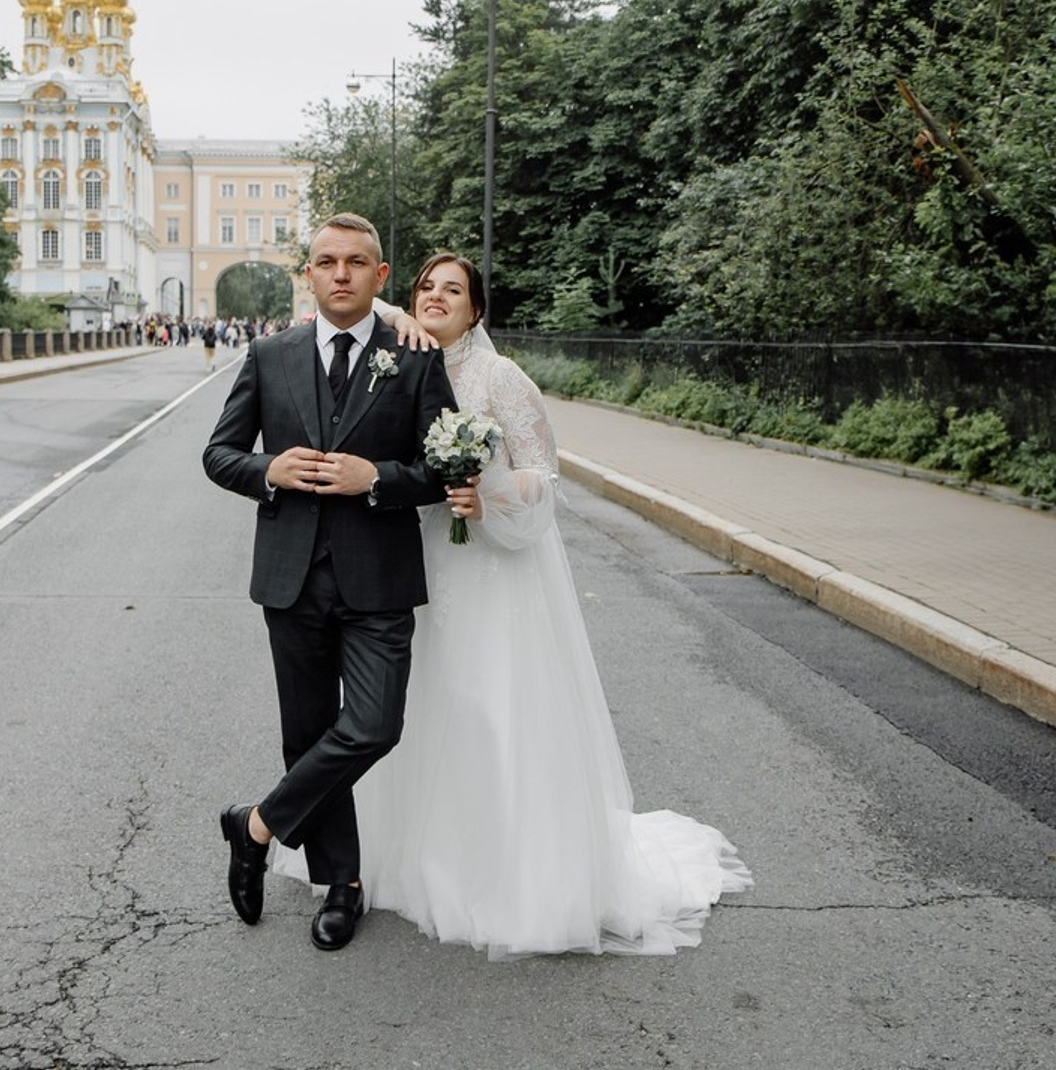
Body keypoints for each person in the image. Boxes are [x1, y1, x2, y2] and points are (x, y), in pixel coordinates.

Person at [281, 252, 753, 960]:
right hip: (422, 564)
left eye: (454, 290)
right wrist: (401, 317)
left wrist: (488, 496)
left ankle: (497, 870)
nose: (437, 297)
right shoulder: (401, 356)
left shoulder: (499, 378)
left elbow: (543, 476)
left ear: (478, 310)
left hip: (489, 567)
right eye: (426, 288)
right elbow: (345, 307)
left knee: (488, 706)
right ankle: (404, 856)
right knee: (419, 707)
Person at [203, 214, 457, 951]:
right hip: (290, 579)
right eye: (325, 262)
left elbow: (445, 471)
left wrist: (377, 478)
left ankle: (253, 827)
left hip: (379, 578)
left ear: (381, 277)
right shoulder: (268, 354)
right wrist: (267, 472)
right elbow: (219, 454)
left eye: (356, 263)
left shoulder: (412, 357)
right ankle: (340, 885)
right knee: (307, 737)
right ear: (307, 275)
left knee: (375, 727)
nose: (340, 273)